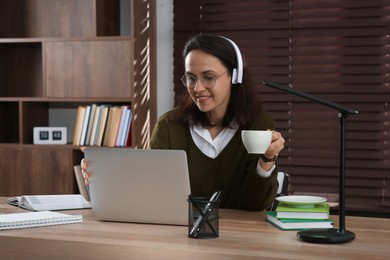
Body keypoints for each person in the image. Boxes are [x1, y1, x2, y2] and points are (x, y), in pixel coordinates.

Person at [82, 33, 285, 211]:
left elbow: (255, 205)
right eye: (191, 78)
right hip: (178, 237)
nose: (197, 88)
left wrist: (266, 159)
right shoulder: (169, 126)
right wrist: (102, 180)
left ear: (234, 77)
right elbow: (152, 193)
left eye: (208, 77)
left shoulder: (258, 123)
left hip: (237, 240)